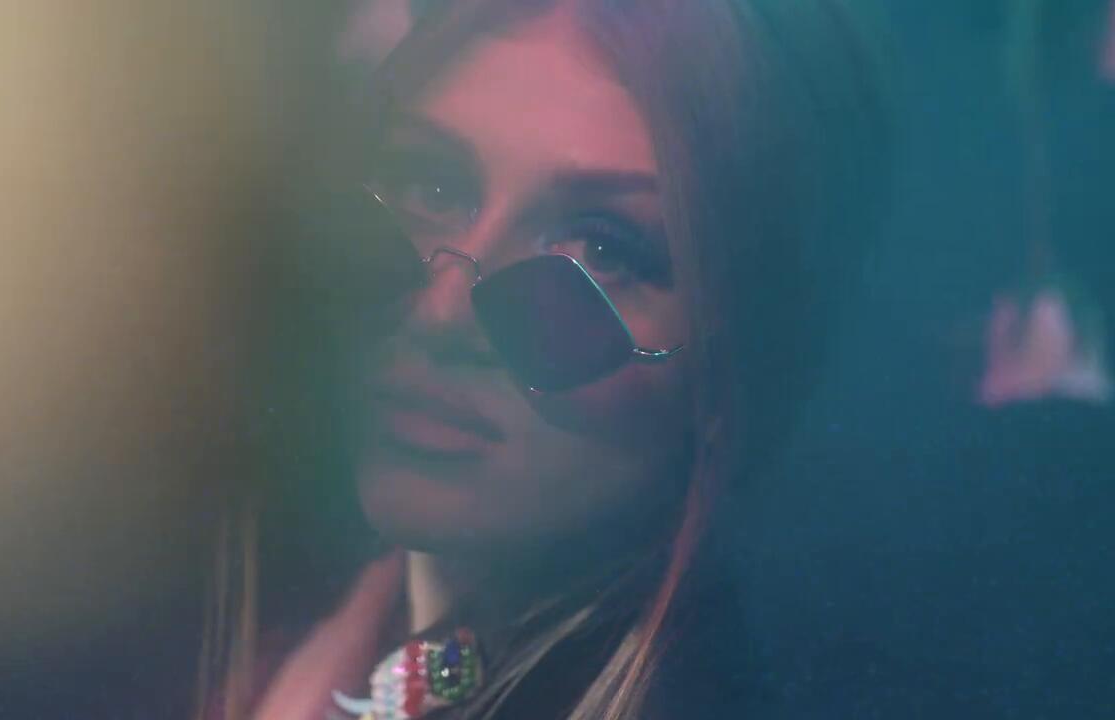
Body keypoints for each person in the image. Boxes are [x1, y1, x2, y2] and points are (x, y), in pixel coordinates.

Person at [202, 1, 886, 718]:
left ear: (740, 359)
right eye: (431, 186)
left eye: (603, 250)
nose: (442, 312)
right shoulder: (244, 605)